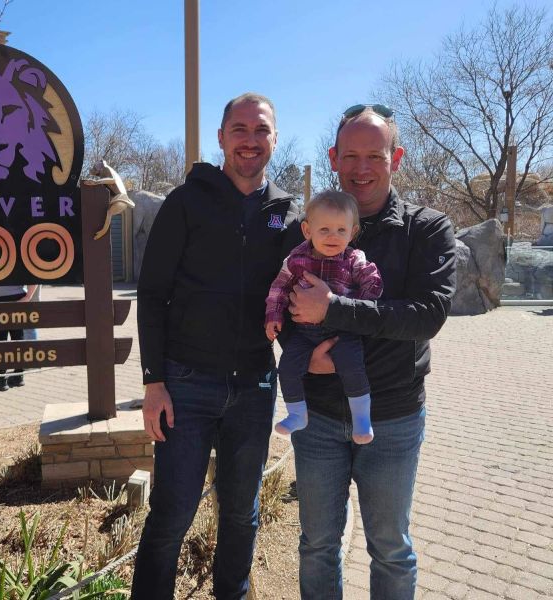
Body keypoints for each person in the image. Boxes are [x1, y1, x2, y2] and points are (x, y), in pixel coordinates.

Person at [282, 104, 456, 599]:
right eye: (351, 155)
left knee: (390, 546)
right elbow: (280, 302)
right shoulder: (310, 227)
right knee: (317, 544)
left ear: (395, 158)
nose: (362, 168)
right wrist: (299, 355)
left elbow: (427, 315)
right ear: (334, 158)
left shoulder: (426, 228)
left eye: (374, 156)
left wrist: (333, 310)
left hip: (394, 417)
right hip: (315, 416)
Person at [133, 93, 298, 599]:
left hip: (253, 385)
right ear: (222, 137)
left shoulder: (287, 216)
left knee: (241, 512)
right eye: (240, 129)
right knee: (173, 511)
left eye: (261, 130)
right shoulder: (188, 202)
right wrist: (153, 381)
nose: (251, 140)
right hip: (186, 385)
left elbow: (293, 296)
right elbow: (153, 292)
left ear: (274, 138)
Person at [266, 190, 383, 445]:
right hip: (304, 333)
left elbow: (370, 279)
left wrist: (369, 295)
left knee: (353, 366)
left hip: (342, 331)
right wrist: (273, 315)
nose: (333, 236)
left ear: (352, 233)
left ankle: (362, 419)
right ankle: (297, 414)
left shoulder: (354, 259)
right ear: (308, 231)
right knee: (287, 367)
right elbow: (279, 288)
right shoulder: (296, 259)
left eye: (342, 230)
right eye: (325, 229)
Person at [0, 284, 38, 392]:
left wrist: (28, 297)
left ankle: (0, 380)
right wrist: (27, 297)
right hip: (16, 297)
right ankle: (18, 376)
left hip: (1, 299)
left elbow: (34, 274)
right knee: (17, 339)